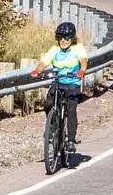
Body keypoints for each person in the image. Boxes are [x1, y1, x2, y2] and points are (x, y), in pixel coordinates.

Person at [32, 20, 89, 156]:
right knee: (48, 104)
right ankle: (51, 125)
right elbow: (44, 62)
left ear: (72, 38)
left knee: (71, 109)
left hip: (72, 83)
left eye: (67, 37)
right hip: (58, 82)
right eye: (60, 37)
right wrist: (37, 70)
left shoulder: (78, 48)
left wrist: (81, 71)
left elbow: (83, 60)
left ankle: (70, 140)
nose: (63, 40)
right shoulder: (55, 50)